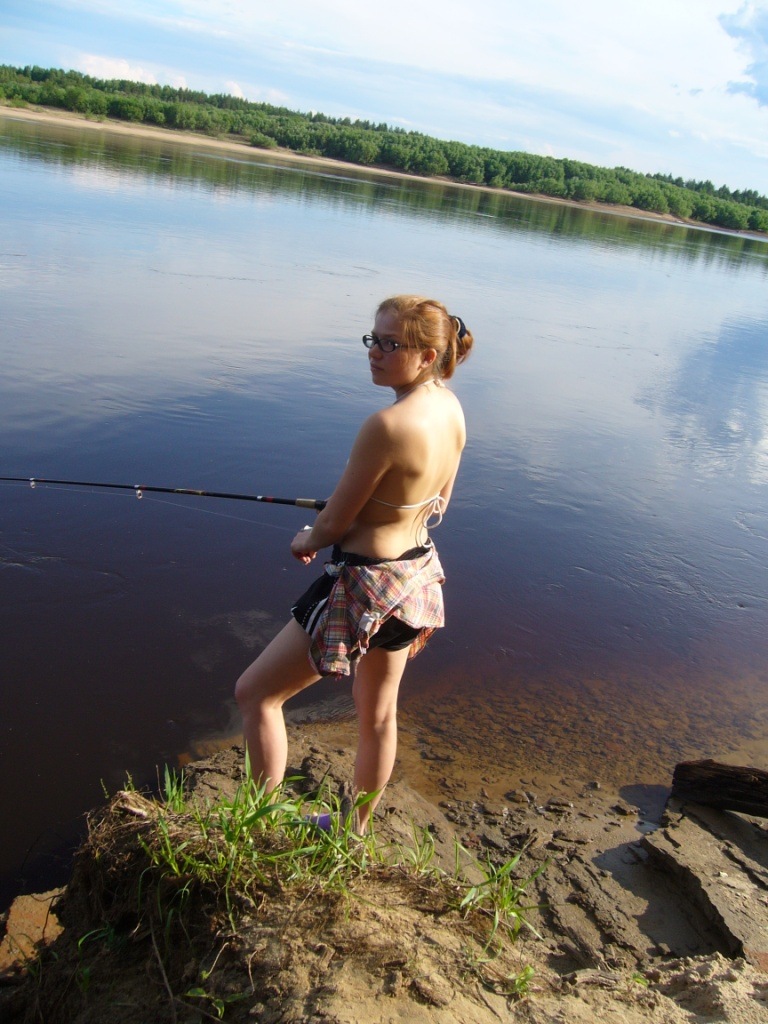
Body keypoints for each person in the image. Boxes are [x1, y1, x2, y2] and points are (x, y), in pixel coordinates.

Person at [235, 295, 473, 831]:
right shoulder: (450, 408)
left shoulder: (385, 425)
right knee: (379, 717)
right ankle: (354, 831)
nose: (375, 352)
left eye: (391, 344)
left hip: (364, 587)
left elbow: (331, 528)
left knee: (256, 694)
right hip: (414, 581)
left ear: (428, 355)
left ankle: (254, 823)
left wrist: (306, 538)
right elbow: (439, 501)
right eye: (373, 339)